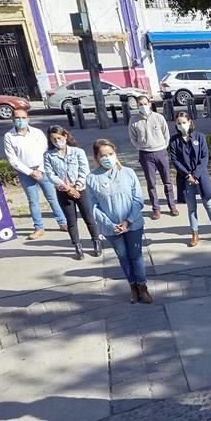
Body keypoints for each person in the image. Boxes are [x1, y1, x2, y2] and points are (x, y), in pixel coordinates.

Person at [86, 139, 152, 304]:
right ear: (97, 158)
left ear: (115, 154)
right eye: (103, 155)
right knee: (123, 256)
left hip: (133, 223)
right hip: (111, 228)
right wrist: (110, 224)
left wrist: (128, 221)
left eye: (110, 154)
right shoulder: (92, 178)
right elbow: (93, 206)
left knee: (136, 255)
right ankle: (133, 287)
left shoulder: (128, 172)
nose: (107, 158)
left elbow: (138, 200)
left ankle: (142, 287)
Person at [3, 109, 66, 239]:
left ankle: (63, 222)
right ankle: (39, 227)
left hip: (43, 169)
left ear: (28, 119)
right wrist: (30, 172)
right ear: (13, 119)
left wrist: (41, 169)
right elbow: (13, 159)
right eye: (17, 118)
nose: (20, 120)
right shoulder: (9, 136)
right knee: (33, 201)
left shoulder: (37, 133)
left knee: (52, 198)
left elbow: (46, 150)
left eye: (23, 117)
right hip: (25, 172)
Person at [43, 126, 101, 260]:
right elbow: (51, 175)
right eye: (54, 139)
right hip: (64, 191)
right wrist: (68, 188)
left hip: (81, 189)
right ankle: (77, 245)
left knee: (89, 217)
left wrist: (78, 186)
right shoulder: (48, 155)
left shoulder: (77, 152)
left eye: (59, 138)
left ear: (65, 136)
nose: (57, 141)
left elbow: (84, 170)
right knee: (71, 221)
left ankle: (96, 241)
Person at [168, 111, 211, 247]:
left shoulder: (199, 137)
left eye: (184, 122)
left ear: (190, 122)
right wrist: (188, 175)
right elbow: (174, 160)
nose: (182, 125)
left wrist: (197, 174)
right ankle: (194, 233)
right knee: (191, 207)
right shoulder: (174, 140)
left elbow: (204, 157)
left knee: (209, 204)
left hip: (201, 176)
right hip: (186, 178)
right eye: (179, 123)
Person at [128, 95, 177, 220]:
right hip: (145, 154)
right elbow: (133, 138)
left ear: (149, 104)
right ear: (137, 106)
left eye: (145, 103)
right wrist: (142, 146)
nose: (143, 106)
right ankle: (156, 208)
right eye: (140, 104)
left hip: (161, 152)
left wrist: (163, 146)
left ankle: (172, 205)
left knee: (167, 181)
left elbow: (166, 133)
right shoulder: (134, 120)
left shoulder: (158, 117)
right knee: (151, 183)